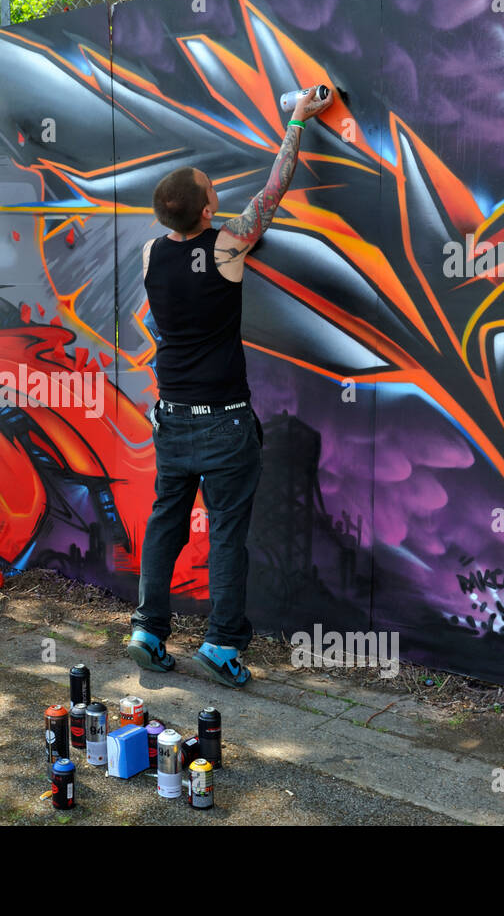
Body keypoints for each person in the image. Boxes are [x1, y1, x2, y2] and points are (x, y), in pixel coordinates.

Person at [127, 86, 335, 688]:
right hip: (224, 421)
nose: (217, 189)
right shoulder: (226, 246)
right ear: (203, 208)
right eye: (210, 187)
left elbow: (197, 226)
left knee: (166, 520)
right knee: (226, 533)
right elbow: (274, 192)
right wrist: (297, 118)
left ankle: (148, 628)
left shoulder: (149, 255)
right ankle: (219, 644)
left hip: (171, 418)